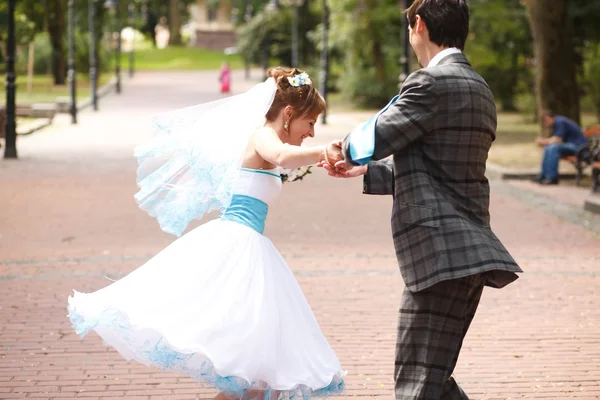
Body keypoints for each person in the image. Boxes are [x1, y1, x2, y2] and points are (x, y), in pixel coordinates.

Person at [67, 67, 346, 400]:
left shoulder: (267, 139)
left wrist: (323, 160)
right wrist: (325, 150)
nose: (312, 133)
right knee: (251, 373)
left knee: (256, 376)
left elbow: (284, 161)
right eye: (310, 123)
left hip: (251, 250)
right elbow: (283, 156)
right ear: (288, 113)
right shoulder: (263, 136)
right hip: (236, 248)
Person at [320, 1, 523, 399]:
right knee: (434, 380)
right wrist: (367, 172)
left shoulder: (429, 83)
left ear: (420, 25)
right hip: (468, 255)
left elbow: (374, 138)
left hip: (439, 255)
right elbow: (446, 171)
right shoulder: (480, 88)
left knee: (417, 383)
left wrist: (341, 148)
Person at [535, 110, 588, 185]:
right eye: (544, 122)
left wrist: (542, 141)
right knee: (548, 147)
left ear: (553, 117)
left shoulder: (560, 121)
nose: (546, 123)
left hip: (579, 147)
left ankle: (552, 177)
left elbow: (557, 140)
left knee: (553, 148)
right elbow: (556, 140)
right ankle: (543, 175)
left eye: (546, 120)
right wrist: (546, 142)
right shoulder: (557, 123)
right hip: (572, 145)